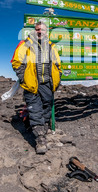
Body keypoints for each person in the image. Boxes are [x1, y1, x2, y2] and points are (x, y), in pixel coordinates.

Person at [11, 21, 62, 154]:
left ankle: (40, 129)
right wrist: (23, 77)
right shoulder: (26, 44)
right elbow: (16, 62)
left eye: (43, 30)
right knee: (35, 109)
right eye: (38, 29)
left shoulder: (51, 46)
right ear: (35, 30)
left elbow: (57, 64)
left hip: (47, 84)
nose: (40, 32)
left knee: (46, 108)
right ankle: (40, 139)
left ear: (47, 32)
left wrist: (57, 79)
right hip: (31, 84)